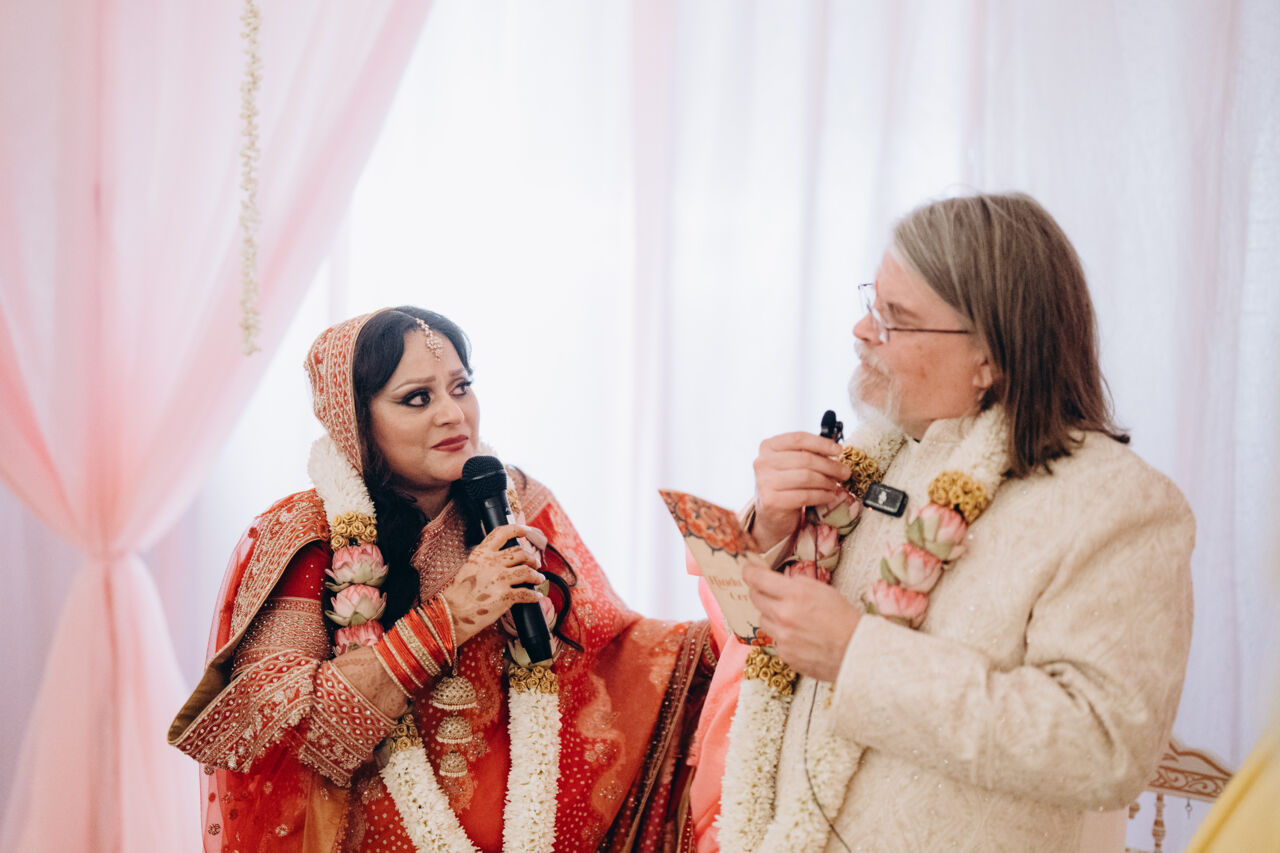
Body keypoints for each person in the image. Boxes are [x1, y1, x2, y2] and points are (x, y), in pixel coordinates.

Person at [687, 192, 1195, 852]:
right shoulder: (872, 460)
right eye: (873, 303)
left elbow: (1105, 747)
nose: (861, 330)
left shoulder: (1116, 503)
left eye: (895, 319)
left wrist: (859, 656)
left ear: (991, 357)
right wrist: (769, 533)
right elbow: (760, 644)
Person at [169, 307, 715, 852]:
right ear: (353, 418)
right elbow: (276, 730)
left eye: (461, 387)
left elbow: (619, 654)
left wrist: (739, 618)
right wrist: (449, 617)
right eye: (417, 398)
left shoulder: (518, 504)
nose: (454, 414)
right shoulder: (309, 535)